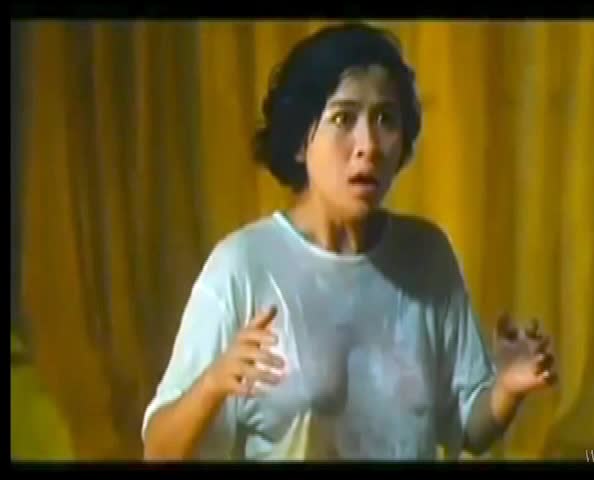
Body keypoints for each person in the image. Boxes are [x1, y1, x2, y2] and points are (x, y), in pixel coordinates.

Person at [141, 23, 557, 461]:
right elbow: (158, 451)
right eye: (343, 118)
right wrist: (212, 384)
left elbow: (471, 430)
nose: (369, 146)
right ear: (300, 142)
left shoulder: (427, 254)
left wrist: (507, 388)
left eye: (386, 119)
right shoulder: (243, 265)